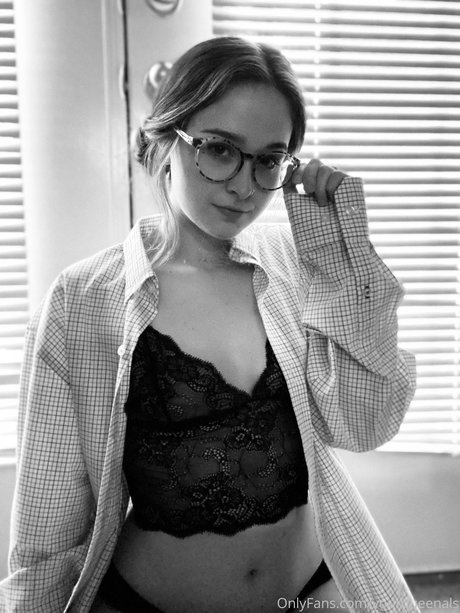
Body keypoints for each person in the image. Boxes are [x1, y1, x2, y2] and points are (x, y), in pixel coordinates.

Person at [0, 36, 419, 613]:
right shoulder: (83, 301)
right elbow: (48, 526)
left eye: (269, 159)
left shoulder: (299, 265)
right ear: (166, 140)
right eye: (220, 149)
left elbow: (365, 425)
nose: (245, 186)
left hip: (311, 590)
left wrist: (339, 261)